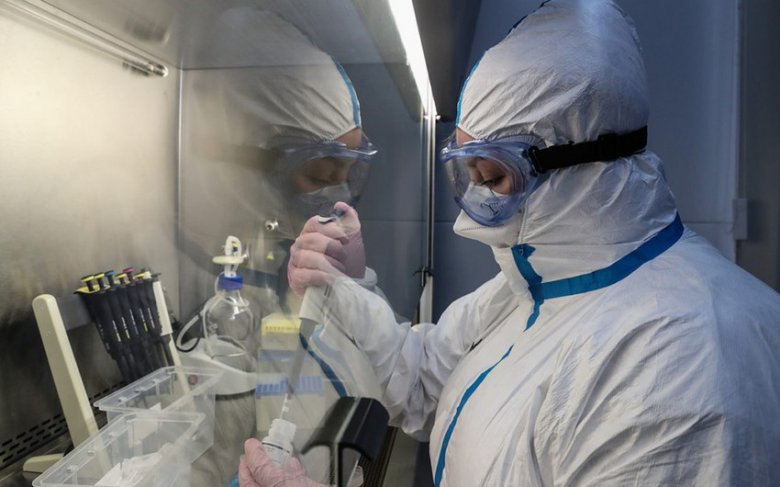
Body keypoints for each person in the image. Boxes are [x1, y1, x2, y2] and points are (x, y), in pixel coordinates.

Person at [241, 0, 780, 485]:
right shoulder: (535, 287)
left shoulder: (678, 364)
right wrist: (351, 286)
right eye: (468, 173)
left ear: (584, 166)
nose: (473, 210)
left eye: (494, 176)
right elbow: (423, 381)